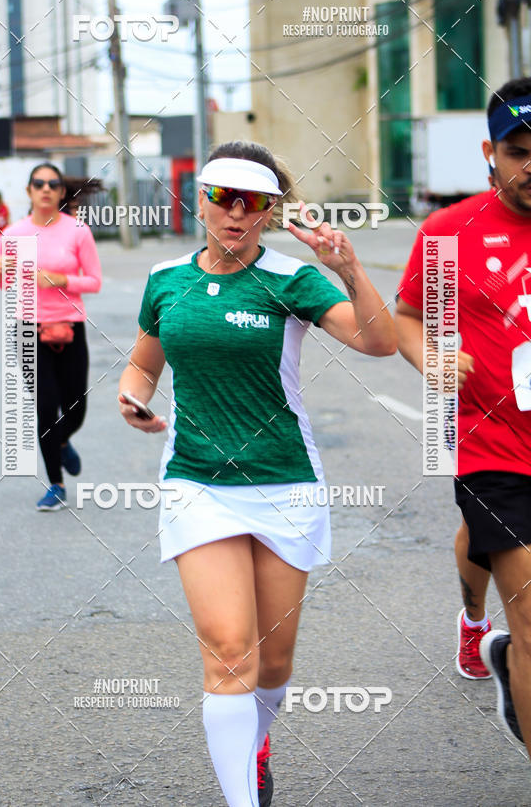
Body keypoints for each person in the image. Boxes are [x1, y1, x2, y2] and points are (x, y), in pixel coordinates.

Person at [118, 141, 397, 806]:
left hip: (284, 482)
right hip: (197, 483)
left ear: (271, 210)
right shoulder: (167, 281)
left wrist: (349, 269)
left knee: (271, 663)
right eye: (222, 199)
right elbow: (143, 366)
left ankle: (258, 739)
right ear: (203, 201)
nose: (235, 215)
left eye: (252, 203)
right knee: (230, 654)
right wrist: (132, 397)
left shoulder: (291, 280)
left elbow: (379, 342)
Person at [395, 77, 531, 755]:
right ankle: (481, 625)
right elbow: (408, 319)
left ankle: (493, 640)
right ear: (491, 153)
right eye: (518, 150)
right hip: (488, 442)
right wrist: (432, 362)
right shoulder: (450, 232)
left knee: (477, 542)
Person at [0, 163, 102, 510]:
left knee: (76, 407)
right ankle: (55, 484)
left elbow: (95, 281)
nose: (45, 189)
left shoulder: (78, 231)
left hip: (70, 327)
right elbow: (5, 285)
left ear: (59, 193)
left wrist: (62, 280)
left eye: (52, 184)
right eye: (38, 184)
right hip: (28, 329)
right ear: (29, 191)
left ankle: (63, 441)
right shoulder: (11, 235)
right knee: (45, 406)